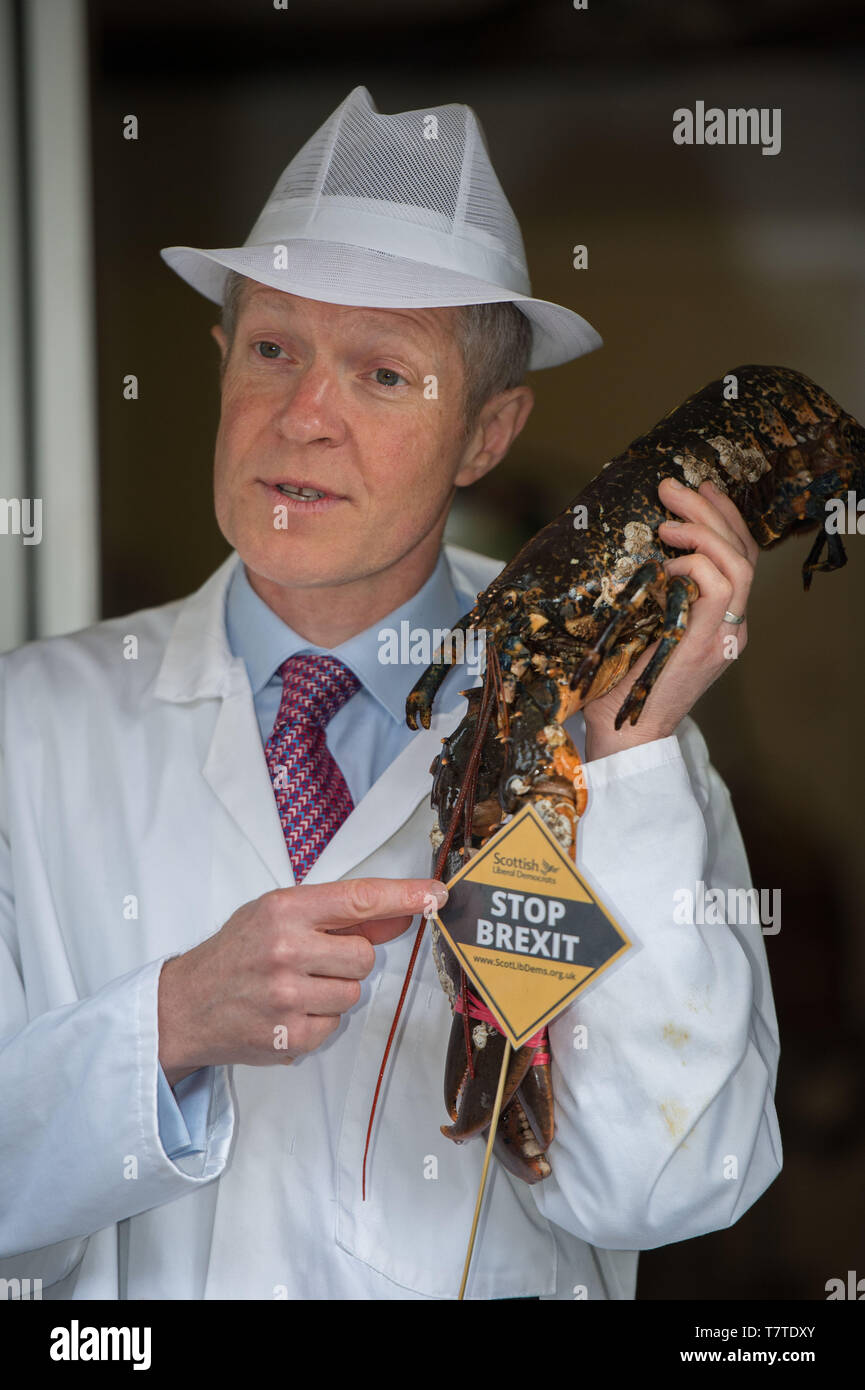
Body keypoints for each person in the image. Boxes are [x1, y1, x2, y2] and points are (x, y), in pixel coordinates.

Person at [0, 86, 780, 1301]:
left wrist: (624, 764)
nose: (302, 417)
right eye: (273, 351)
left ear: (486, 434)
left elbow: (665, 1188)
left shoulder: (598, 718)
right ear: (221, 363)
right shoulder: (33, 724)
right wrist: (165, 1027)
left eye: (381, 375)